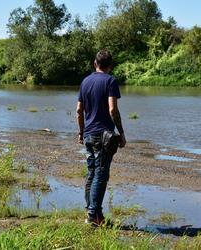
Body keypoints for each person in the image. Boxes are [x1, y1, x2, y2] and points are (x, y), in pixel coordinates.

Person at [76, 49, 126, 226]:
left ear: (94, 63)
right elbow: (113, 109)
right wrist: (121, 132)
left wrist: (81, 132)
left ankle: (93, 213)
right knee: (100, 175)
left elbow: (78, 111)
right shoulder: (111, 81)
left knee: (91, 173)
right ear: (110, 65)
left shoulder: (85, 81)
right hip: (103, 136)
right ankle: (93, 217)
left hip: (89, 134)